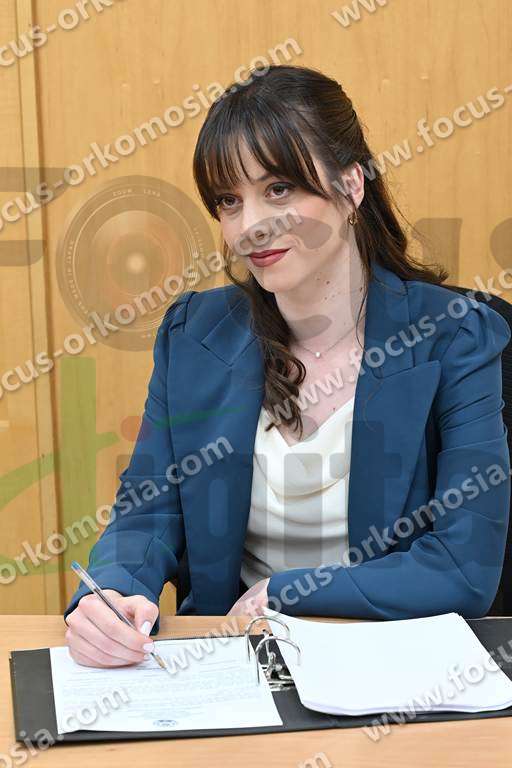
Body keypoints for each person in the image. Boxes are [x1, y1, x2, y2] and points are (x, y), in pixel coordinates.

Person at [63, 64, 511, 668]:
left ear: (350, 186)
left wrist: (289, 593)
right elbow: (148, 510)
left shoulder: (454, 334)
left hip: (394, 669)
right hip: (235, 664)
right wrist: (114, 592)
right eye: (229, 201)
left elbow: (464, 566)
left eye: (278, 189)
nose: (250, 226)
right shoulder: (195, 333)